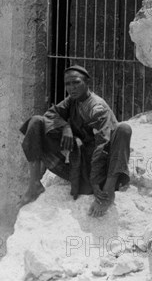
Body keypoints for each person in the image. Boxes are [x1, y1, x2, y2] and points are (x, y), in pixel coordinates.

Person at [19, 65, 132, 217]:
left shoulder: (97, 108)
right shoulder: (73, 100)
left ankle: (108, 192)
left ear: (87, 83)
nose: (71, 88)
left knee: (123, 129)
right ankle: (34, 184)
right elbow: (50, 114)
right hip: (79, 163)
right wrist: (65, 127)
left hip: (101, 169)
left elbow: (102, 145)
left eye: (76, 83)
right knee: (36, 122)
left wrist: (96, 182)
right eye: (68, 84)